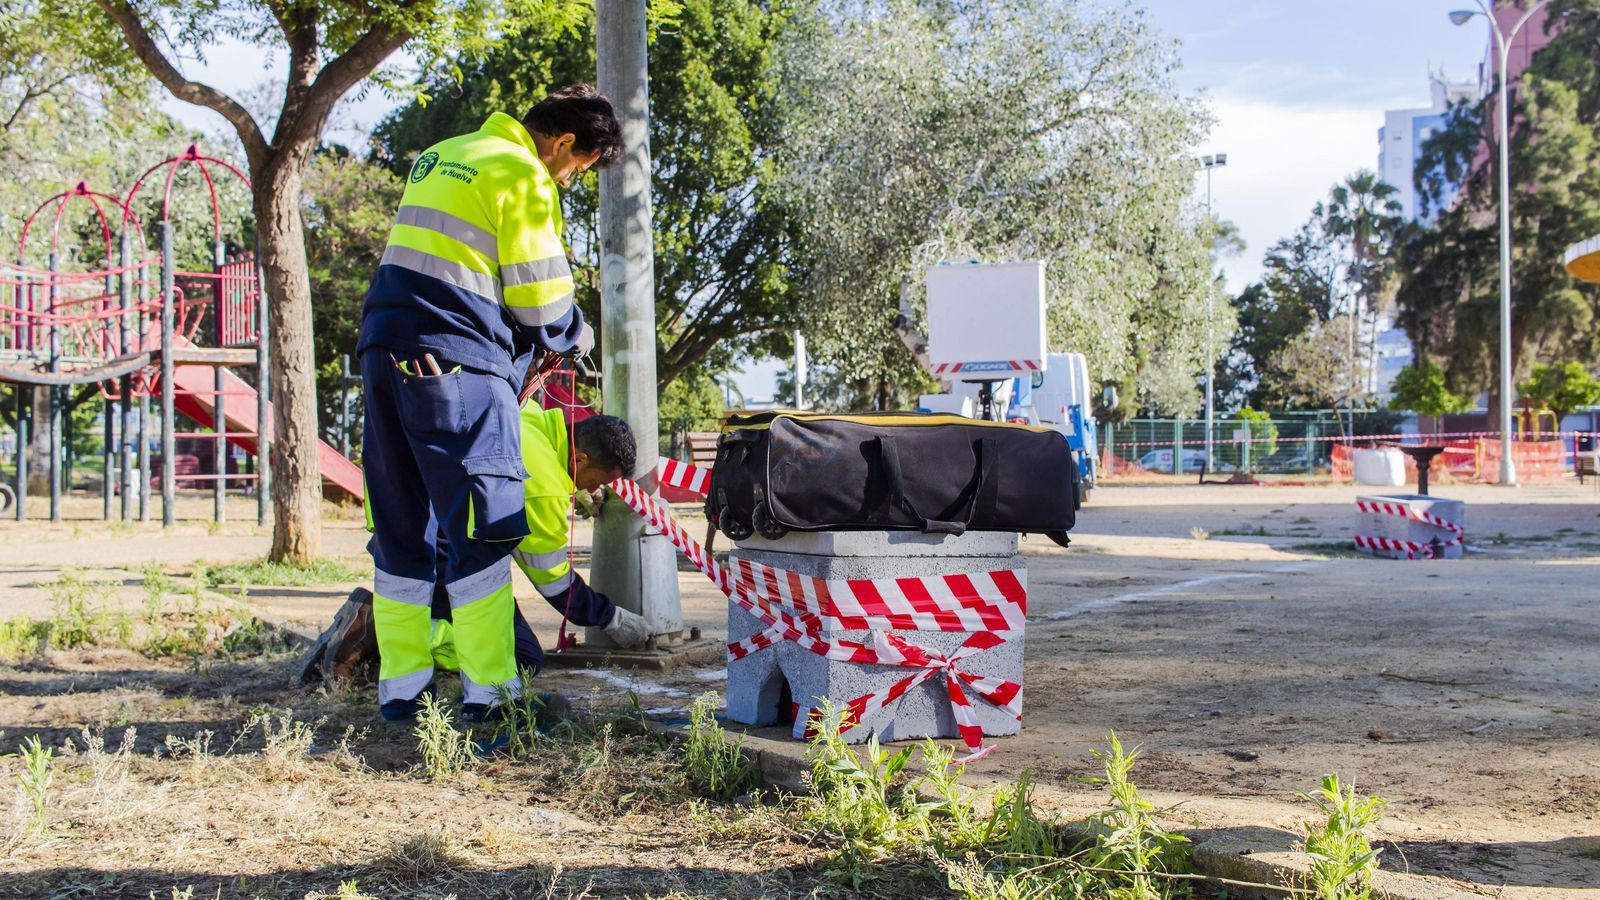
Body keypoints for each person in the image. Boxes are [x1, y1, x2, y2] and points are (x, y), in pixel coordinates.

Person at [357, 83, 624, 724]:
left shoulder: (445, 153)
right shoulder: (522, 174)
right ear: (562, 143)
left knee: (402, 529)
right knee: (484, 524)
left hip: (382, 351)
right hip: (455, 365)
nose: (568, 180)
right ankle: (491, 698)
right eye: (578, 168)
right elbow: (541, 304)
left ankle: (403, 691)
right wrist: (578, 335)